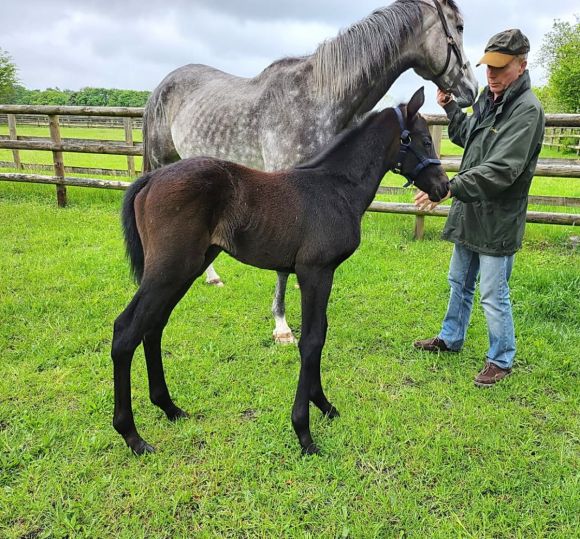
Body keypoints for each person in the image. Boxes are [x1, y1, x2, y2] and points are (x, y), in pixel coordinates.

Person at [413, 29, 545, 387]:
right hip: (472, 211)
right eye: (489, 66)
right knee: (459, 282)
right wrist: (451, 108)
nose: (492, 74)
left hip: (498, 218)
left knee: (492, 293)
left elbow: (503, 169)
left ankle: (501, 359)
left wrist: (451, 187)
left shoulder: (527, 110)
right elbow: (469, 135)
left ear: (521, 65)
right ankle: (450, 337)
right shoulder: (490, 98)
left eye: (501, 68)